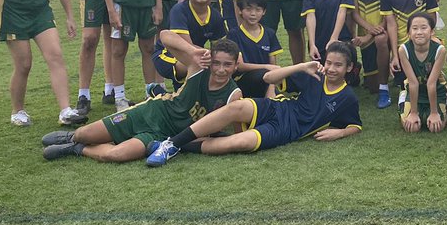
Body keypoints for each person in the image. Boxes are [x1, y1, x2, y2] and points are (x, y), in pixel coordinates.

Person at [144, 42, 362, 164]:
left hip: (286, 129)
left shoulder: (347, 97)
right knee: (236, 107)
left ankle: (175, 145)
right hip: (276, 107)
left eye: (338, 65)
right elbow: (268, 79)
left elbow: (355, 125)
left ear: (349, 68)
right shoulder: (313, 75)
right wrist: (301, 66)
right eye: (329, 63)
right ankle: (171, 144)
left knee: (241, 143)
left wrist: (340, 133)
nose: (332, 68)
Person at [41, 38, 242, 163]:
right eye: (216, 63)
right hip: (153, 112)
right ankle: (73, 137)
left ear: (235, 66)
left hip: (164, 137)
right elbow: (164, 37)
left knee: (115, 155)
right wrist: (192, 52)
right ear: (210, 60)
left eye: (227, 65)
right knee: (85, 132)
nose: (221, 70)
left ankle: (76, 148)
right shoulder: (198, 68)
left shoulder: (234, 95)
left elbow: (236, 134)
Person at [380, 0, 438, 108]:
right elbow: (391, 25)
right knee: (405, 81)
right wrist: (395, 55)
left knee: (427, 79)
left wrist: (432, 45)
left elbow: (431, 21)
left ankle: (438, 88)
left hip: (424, 44)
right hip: (402, 47)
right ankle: (404, 92)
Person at [152, 0, 226, 88]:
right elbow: (185, 45)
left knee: (219, 64)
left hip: (196, 55)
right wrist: (210, 55)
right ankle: (164, 92)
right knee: (200, 64)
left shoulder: (216, 15)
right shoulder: (179, 10)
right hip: (167, 55)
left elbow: (220, 46)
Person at [350, 0, 393, 102]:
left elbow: (388, 17)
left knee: (381, 40)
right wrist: (368, 31)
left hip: (381, 34)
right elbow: (354, 13)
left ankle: (385, 87)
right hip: (364, 35)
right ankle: (355, 69)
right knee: (370, 86)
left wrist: (371, 34)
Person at [398, 11, 447, 134]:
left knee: (436, 127)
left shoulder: (440, 50)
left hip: (436, 90)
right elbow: (413, 83)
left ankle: (446, 102)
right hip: (415, 90)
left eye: (424, 28)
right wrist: (414, 113)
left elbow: (431, 83)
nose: (419, 32)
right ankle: (403, 98)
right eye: (414, 28)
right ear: (409, 33)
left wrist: (434, 113)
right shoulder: (403, 50)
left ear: (432, 32)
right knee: (412, 128)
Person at [226, 0, 283, 99]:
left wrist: (271, 80)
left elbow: (273, 65)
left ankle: (274, 98)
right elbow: (240, 66)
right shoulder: (234, 34)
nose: (253, 14)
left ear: (264, 11)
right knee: (266, 74)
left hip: (266, 80)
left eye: (258, 10)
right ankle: (270, 99)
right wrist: (266, 67)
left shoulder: (269, 33)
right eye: (248, 9)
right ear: (240, 11)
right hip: (243, 80)